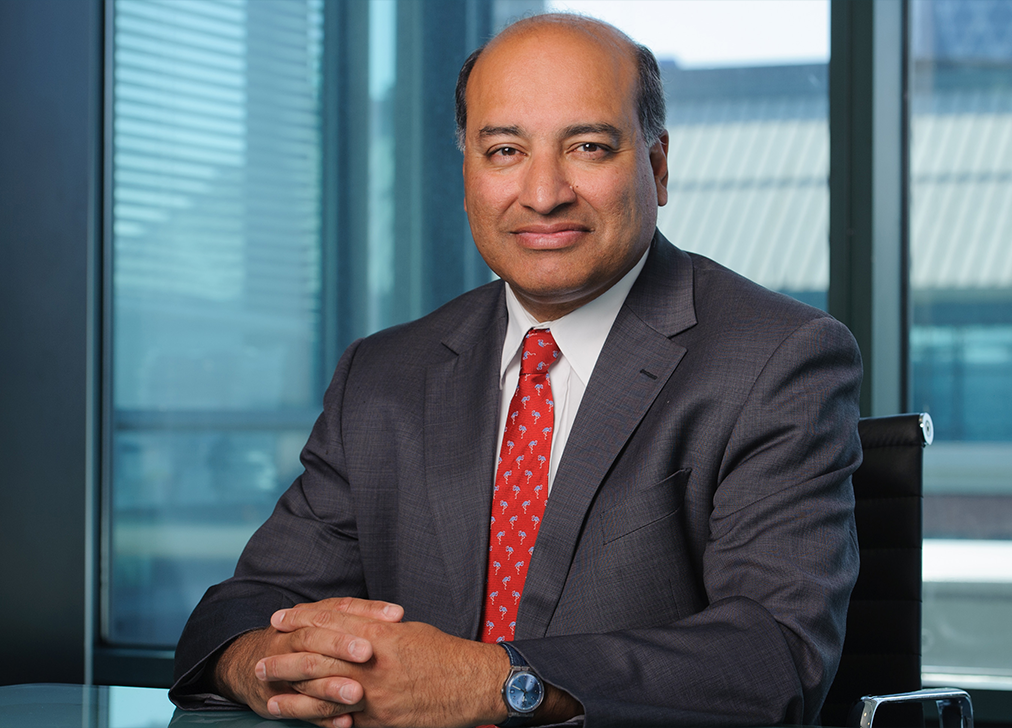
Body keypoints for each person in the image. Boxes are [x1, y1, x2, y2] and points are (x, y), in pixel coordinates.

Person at [170, 13, 862, 728]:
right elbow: (243, 612)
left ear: (657, 166)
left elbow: (773, 660)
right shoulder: (382, 377)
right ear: (467, 172)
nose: (542, 194)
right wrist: (273, 671)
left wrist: (488, 683)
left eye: (588, 147)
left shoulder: (778, 358)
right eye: (504, 151)